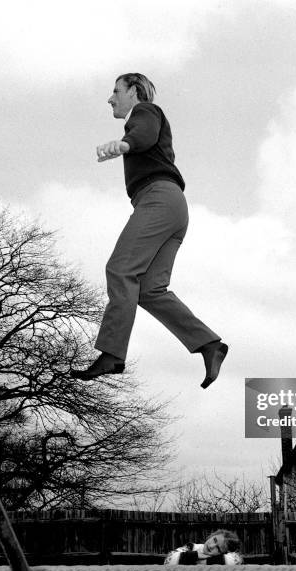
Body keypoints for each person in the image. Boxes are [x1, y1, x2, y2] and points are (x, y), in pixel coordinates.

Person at [70, 73, 227, 389]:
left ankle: (112, 353)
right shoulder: (144, 120)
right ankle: (208, 343)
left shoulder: (145, 112)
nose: (110, 98)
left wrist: (125, 143)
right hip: (171, 206)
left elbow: (143, 133)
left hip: (158, 199)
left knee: (121, 269)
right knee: (150, 289)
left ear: (133, 90)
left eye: (115, 91)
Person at [164, 529, 243, 565]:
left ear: (223, 553)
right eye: (214, 540)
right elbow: (169, 560)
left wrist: (206, 561)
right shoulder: (191, 547)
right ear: (211, 536)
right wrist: (195, 555)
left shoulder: (225, 557)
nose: (212, 546)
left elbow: (237, 560)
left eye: (218, 548)